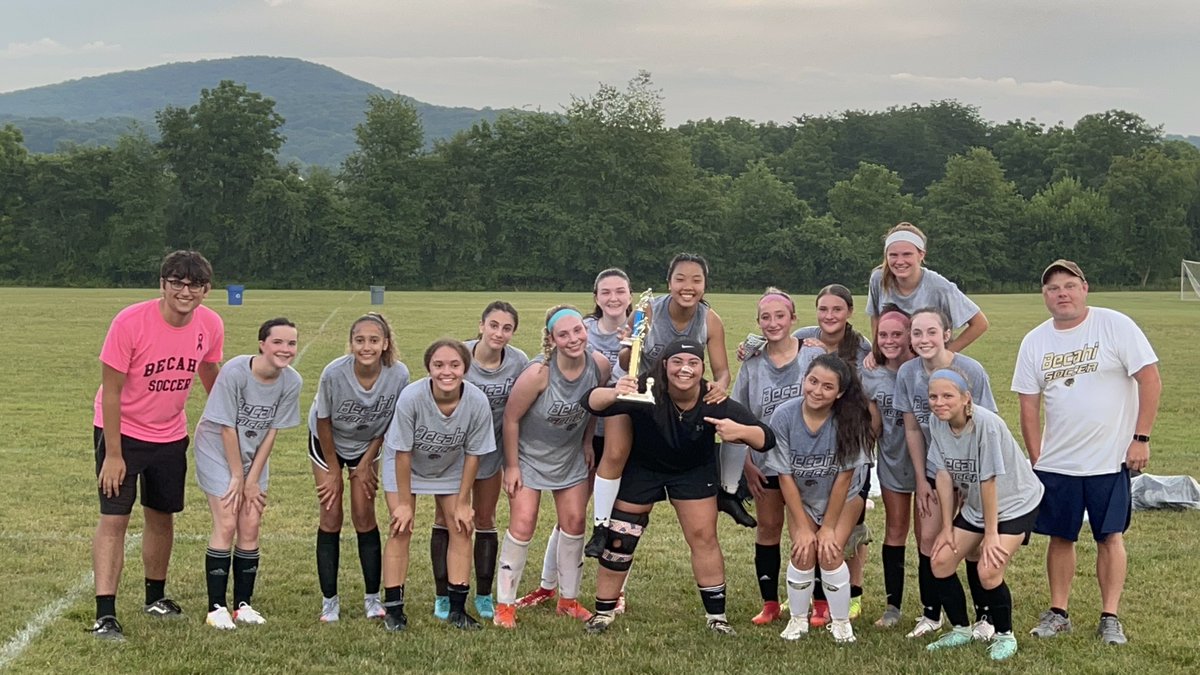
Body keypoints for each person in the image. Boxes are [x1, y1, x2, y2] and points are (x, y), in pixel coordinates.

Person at [581, 338, 776, 636]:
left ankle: (716, 617)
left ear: (702, 368)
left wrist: (741, 432)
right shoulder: (646, 387)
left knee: (703, 536)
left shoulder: (713, 398)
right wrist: (613, 392)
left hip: (692, 471)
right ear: (664, 366)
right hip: (644, 468)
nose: (685, 370)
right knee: (621, 537)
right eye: (677, 362)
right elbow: (590, 401)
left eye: (693, 363)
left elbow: (767, 437)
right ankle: (603, 612)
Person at [1013, 260, 1160, 646]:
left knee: (1109, 535)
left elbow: (1150, 379)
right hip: (1058, 461)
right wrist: (1036, 457)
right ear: (1044, 296)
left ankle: (1109, 616)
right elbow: (1028, 404)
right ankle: (1058, 611)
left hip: (1109, 459)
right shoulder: (1035, 341)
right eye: (1053, 288)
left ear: (1084, 288)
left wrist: (1140, 438)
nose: (1062, 293)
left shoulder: (1115, 325)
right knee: (1060, 537)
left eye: (1069, 285)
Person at [90, 250, 224, 641]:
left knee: (161, 515)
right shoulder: (130, 322)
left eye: (194, 284)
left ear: (206, 290)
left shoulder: (210, 324)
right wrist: (113, 454)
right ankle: (105, 613)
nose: (186, 291)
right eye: (177, 282)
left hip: (169, 435)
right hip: (123, 432)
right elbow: (111, 391)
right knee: (114, 519)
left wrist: (224, 423)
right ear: (163, 284)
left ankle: (155, 596)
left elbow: (210, 370)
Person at [597, 253, 736, 544]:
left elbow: (722, 372)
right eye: (680, 279)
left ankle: (729, 491)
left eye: (696, 280)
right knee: (615, 451)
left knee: (729, 424)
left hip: (678, 399)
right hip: (640, 393)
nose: (688, 286)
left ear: (705, 285)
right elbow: (627, 362)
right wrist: (629, 344)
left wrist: (720, 386)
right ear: (669, 282)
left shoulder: (709, 320)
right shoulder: (648, 310)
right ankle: (600, 525)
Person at [493, 305, 611, 628]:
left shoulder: (598, 365)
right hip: (529, 457)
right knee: (523, 522)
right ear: (551, 339)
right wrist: (513, 466)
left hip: (569, 455)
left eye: (578, 331)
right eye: (564, 334)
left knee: (574, 521)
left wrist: (587, 442)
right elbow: (511, 418)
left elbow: (594, 407)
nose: (573, 339)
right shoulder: (538, 373)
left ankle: (568, 600)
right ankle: (504, 606)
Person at [524, 270, 632, 610]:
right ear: (596, 297)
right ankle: (547, 586)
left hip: (624, 435)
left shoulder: (644, 327)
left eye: (620, 291)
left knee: (620, 517)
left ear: (630, 295)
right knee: (571, 517)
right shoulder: (581, 330)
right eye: (606, 292)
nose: (614, 298)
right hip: (584, 436)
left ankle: (616, 589)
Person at [719, 288, 822, 626]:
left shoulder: (811, 355)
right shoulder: (752, 363)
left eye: (781, 316)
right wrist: (746, 463)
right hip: (765, 462)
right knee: (768, 528)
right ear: (758, 323)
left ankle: (817, 602)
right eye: (766, 317)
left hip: (808, 461)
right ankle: (770, 602)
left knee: (808, 528)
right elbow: (741, 416)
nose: (773, 323)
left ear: (794, 319)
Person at [924, 369, 1043, 661]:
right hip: (978, 506)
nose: (939, 402)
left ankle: (1005, 635)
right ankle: (962, 629)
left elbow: (987, 480)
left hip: (1015, 503)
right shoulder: (936, 422)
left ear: (967, 399)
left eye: (948, 396)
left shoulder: (987, 425)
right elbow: (941, 475)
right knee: (940, 561)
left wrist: (990, 535)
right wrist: (948, 527)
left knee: (988, 570)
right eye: (933, 396)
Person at [379, 339, 496, 631]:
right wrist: (405, 503)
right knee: (400, 528)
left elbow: (473, 454)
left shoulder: (477, 400)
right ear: (428, 368)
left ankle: (457, 609)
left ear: (465, 368)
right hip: (405, 465)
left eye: (455, 365)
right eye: (439, 365)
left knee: (460, 526)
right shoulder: (411, 397)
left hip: (451, 466)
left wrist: (463, 503)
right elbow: (402, 453)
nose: (447, 372)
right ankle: (394, 611)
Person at [896, 307, 998, 640]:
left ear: (947, 333)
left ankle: (985, 616)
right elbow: (912, 429)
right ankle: (931, 613)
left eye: (930, 332)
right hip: (934, 468)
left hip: (971, 470)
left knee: (971, 545)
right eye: (916, 333)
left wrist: (973, 483)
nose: (923, 339)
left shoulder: (970, 370)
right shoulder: (908, 373)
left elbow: (986, 427)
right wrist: (922, 480)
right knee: (929, 538)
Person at [195, 318, 303, 630]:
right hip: (217, 448)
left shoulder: (291, 382)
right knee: (227, 520)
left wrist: (252, 478)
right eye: (278, 342)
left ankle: (243, 605)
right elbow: (227, 426)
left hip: (252, 455)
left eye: (291, 343)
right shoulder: (236, 371)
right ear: (262, 344)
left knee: (251, 523)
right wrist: (237, 478)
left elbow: (271, 433)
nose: (285, 349)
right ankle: (216, 608)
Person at [766, 354, 874, 644]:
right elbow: (784, 476)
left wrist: (827, 528)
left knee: (830, 552)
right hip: (802, 495)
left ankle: (840, 624)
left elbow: (844, 480)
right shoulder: (784, 416)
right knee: (802, 552)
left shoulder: (849, 420)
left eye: (827, 387)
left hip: (844, 497)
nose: (817, 390)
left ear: (839, 393)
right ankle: (797, 620)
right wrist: (802, 526)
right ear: (804, 380)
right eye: (812, 381)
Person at [310, 313, 410, 623]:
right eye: (359, 340)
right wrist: (331, 470)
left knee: (364, 515)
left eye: (373, 340)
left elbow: (393, 422)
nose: (366, 346)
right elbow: (324, 421)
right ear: (351, 343)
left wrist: (366, 463)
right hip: (328, 441)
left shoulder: (398, 374)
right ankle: (330, 602)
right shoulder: (334, 373)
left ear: (385, 344)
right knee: (331, 514)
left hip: (368, 444)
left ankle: (372, 599)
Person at [430, 302, 527, 621]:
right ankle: (443, 595)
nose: (499, 333)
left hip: (490, 451)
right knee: (447, 519)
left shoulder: (518, 362)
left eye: (507, 328)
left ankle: (484, 594)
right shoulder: (460, 358)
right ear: (481, 325)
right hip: (453, 452)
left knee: (484, 518)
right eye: (494, 325)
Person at [859, 308, 917, 628]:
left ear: (910, 334)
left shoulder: (925, 367)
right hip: (894, 463)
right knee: (895, 530)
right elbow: (875, 426)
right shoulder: (871, 372)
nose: (890, 340)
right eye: (883, 335)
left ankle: (930, 607)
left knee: (928, 537)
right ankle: (892, 607)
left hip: (930, 468)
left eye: (898, 334)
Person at [864, 222, 988, 365]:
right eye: (893, 255)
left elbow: (980, 324)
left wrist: (945, 355)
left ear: (921, 254)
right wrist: (877, 350)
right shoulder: (878, 279)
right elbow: (876, 316)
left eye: (907, 254)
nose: (899, 261)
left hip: (928, 365)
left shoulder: (939, 286)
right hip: (894, 362)